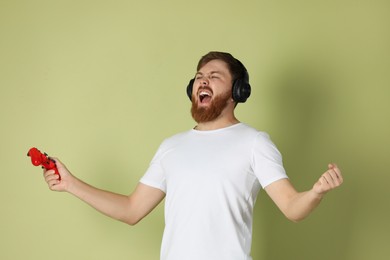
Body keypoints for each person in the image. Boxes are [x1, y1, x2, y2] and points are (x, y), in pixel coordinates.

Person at [44, 51, 343, 260]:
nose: (203, 81)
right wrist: (71, 184)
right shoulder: (171, 147)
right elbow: (132, 210)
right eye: (199, 76)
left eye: (214, 76)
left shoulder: (254, 143)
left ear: (237, 91)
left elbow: (292, 207)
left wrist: (315, 192)